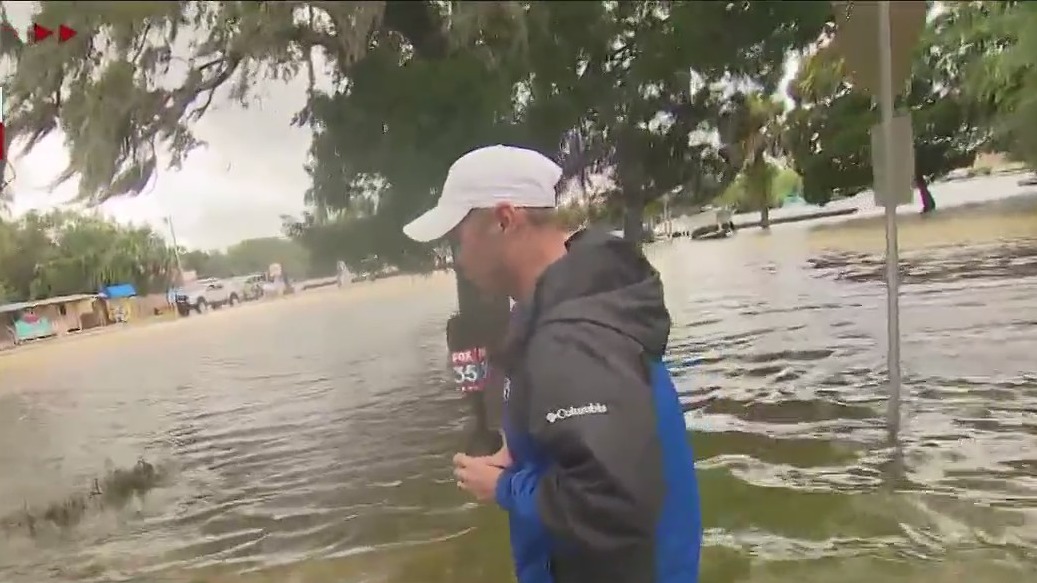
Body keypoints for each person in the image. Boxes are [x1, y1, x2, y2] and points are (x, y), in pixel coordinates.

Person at [402, 145, 701, 583]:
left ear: (504, 220)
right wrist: (523, 452)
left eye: (457, 238)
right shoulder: (553, 303)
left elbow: (615, 501)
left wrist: (505, 487)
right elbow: (597, 441)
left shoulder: (573, 337)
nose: (457, 258)